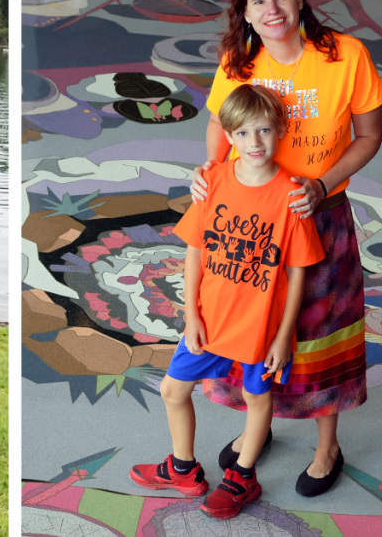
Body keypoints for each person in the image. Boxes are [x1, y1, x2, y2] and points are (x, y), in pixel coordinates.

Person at [190, 0, 382, 496]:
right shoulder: (238, 62)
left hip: (318, 218)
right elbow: (217, 126)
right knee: (254, 330)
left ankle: (328, 446)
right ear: (245, 13)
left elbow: (369, 136)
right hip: (252, 225)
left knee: (321, 333)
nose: (271, 9)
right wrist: (209, 178)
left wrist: (322, 185)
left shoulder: (346, 56)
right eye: (259, 1)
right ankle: (261, 425)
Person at [130, 84, 324, 519]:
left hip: (259, 328)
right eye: (243, 133)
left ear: (280, 131)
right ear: (229, 136)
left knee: (258, 400)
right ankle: (183, 469)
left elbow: (297, 274)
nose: (254, 143)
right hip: (210, 321)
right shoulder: (213, 182)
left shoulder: (290, 196)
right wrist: (190, 314)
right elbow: (195, 250)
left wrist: (283, 335)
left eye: (264, 131)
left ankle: (242, 476)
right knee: (172, 389)